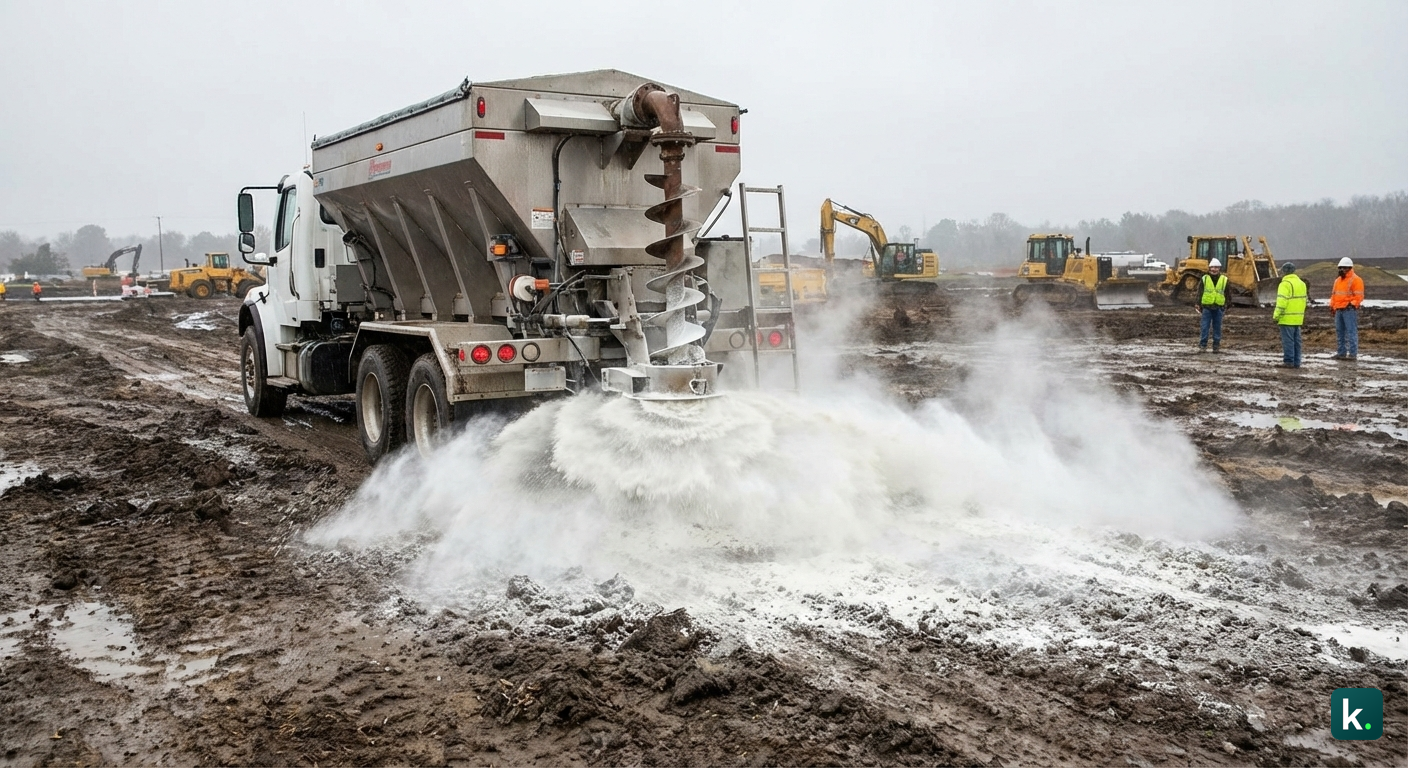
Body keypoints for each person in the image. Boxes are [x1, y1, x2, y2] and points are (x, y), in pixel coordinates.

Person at [1273, 262, 1307, 368]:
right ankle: (1296, 362)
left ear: (1284, 272)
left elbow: (1281, 302)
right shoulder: (1302, 284)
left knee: (1288, 341)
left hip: (1287, 317)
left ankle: (1288, 361)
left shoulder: (1285, 284)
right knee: (1297, 341)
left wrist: (1276, 316)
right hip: (1298, 318)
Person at [1330, 256, 1364, 361]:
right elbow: (1334, 295)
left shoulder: (1356, 280)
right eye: (1340, 268)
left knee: (1351, 332)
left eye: (1344, 268)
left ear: (1349, 268)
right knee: (1340, 332)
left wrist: (1352, 304)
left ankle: (1352, 354)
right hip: (1339, 310)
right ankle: (1341, 353)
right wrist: (1332, 306)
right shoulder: (1337, 281)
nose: (1341, 270)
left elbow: (1359, 296)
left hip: (1349, 310)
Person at [1198, 258, 1228, 352]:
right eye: (1212, 267)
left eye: (1216, 267)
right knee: (1205, 327)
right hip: (1207, 307)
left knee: (1217, 327)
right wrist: (1197, 303)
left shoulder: (1224, 280)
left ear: (1219, 268)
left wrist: (1228, 305)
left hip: (1219, 307)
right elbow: (1200, 292)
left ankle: (1216, 346)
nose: (1214, 269)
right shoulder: (1205, 279)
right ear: (1209, 268)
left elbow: (1227, 293)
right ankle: (1203, 345)